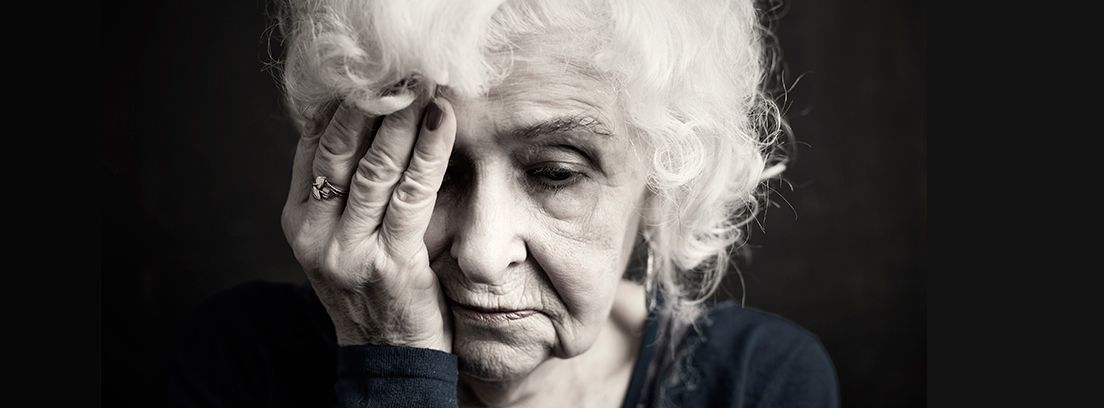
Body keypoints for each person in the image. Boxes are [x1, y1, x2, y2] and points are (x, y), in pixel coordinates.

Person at [168, 0, 840, 406]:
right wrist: (394, 357)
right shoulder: (242, 363)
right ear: (355, 167)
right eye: (429, 173)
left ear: (663, 185)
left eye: (554, 175)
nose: (483, 253)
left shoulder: (757, 384)